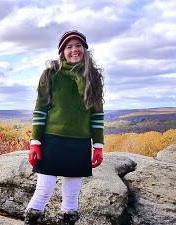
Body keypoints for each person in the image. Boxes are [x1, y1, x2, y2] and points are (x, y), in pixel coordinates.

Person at [24, 30, 104, 225]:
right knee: (44, 190)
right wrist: (35, 142)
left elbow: (96, 114)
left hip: (79, 142)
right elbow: (40, 110)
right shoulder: (51, 74)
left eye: (78, 46)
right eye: (69, 46)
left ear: (85, 50)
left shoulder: (93, 77)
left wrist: (98, 145)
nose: (74, 50)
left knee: (71, 194)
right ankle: (30, 221)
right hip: (52, 139)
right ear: (62, 51)